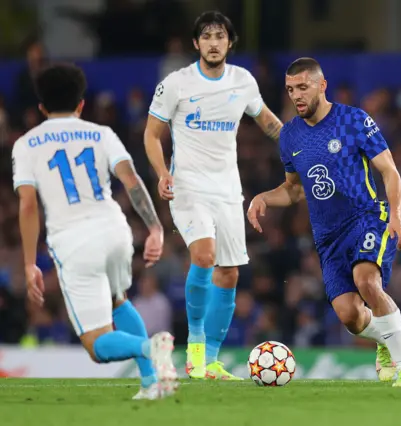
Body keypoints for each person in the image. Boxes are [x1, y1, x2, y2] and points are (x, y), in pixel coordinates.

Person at [247, 57, 401, 387]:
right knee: (350, 317)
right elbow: (295, 190)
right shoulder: (290, 136)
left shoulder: (353, 120)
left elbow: (389, 171)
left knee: (367, 281)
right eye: (290, 90)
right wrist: (265, 197)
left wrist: (396, 216)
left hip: (367, 217)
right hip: (328, 237)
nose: (296, 96)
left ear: (321, 85)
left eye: (302, 87)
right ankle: (384, 339)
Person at [12, 63, 178, 399]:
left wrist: (30, 263)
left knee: (95, 343)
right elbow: (131, 180)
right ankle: (151, 385)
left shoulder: (27, 144)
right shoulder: (101, 133)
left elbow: (28, 205)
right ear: (81, 104)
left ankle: (151, 347)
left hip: (74, 241)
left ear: (42, 107)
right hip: (115, 229)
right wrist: (155, 227)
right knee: (119, 301)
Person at [144, 10, 283, 380]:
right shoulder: (177, 83)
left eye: (220, 36)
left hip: (227, 189)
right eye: (206, 36)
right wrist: (161, 172)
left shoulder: (243, 81)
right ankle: (195, 347)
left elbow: (267, 121)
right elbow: (151, 134)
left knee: (229, 273)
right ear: (196, 44)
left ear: (230, 42)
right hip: (187, 186)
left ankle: (212, 362)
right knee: (203, 256)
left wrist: (301, 145)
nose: (214, 42)